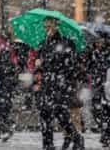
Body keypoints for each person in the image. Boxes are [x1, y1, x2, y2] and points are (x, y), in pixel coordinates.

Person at [36, 17, 84, 150]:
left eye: (49, 27)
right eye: (45, 27)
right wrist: (38, 65)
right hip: (47, 83)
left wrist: (45, 63)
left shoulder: (66, 43)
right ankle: (48, 145)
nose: (46, 30)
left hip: (61, 84)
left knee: (60, 113)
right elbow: (43, 64)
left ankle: (76, 137)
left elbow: (68, 66)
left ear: (55, 27)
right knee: (45, 114)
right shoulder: (43, 44)